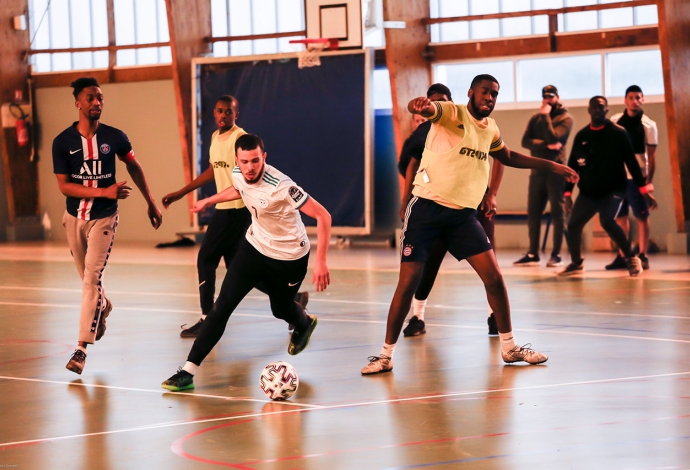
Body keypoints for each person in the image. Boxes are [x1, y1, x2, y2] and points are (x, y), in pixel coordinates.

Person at [361, 74, 579, 375]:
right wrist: (419, 106)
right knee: (409, 282)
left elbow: (509, 156)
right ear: (471, 93)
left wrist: (554, 166)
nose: (489, 98)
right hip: (426, 211)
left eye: (495, 94)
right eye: (485, 92)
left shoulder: (490, 128)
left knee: (495, 278)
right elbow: (428, 109)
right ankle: (385, 356)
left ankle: (509, 347)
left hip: (462, 217)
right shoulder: (452, 113)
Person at [162, 134, 332, 391]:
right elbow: (238, 188)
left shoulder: (282, 186)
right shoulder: (238, 173)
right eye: (244, 162)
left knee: (280, 309)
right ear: (237, 160)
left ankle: (304, 323)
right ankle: (187, 371)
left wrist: (321, 262)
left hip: (289, 257)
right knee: (221, 308)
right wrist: (209, 200)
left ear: (264, 157)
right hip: (254, 247)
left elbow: (323, 216)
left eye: (255, 161)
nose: (250, 167)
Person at [161, 96, 308, 337]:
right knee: (237, 268)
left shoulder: (240, 139)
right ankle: (294, 298)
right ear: (214, 113)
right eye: (219, 111)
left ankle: (207, 318)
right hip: (226, 208)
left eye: (228, 112)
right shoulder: (214, 137)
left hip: (236, 209)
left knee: (206, 259)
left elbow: (247, 179)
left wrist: (211, 199)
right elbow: (212, 170)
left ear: (236, 114)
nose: (223, 115)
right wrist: (181, 192)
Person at [53, 77, 162, 375]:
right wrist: (105, 190)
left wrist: (150, 202)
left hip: (104, 218)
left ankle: (80, 350)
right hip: (74, 218)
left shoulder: (114, 137)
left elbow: (134, 166)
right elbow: (64, 186)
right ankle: (103, 306)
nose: (97, 102)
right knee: (88, 282)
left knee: (91, 280)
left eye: (100, 97)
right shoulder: (62, 142)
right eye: (90, 97)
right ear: (78, 103)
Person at [398, 83, 505, 338]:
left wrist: (492, 194)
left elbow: (502, 156)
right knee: (430, 261)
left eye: (443, 99)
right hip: (440, 206)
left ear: (452, 101)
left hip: (474, 205)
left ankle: (495, 316)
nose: (438, 104)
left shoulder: (470, 122)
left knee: (490, 264)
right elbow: (412, 163)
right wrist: (405, 201)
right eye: (433, 100)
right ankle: (417, 316)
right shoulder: (425, 130)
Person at [558, 96, 657, 277]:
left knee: (607, 221)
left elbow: (632, 164)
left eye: (601, 107)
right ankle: (576, 263)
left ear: (607, 110)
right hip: (588, 192)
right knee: (573, 225)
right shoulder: (582, 136)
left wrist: (644, 191)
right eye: (594, 107)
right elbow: (572, 167)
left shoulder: (618, 133)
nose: (598, 110)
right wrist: (567, 194)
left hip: (613, 190)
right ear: (589, 110)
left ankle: (631, 258)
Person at [514, 85, 574, 268]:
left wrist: (546, 116)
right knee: (533, 212)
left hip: (555, 173)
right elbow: (525, 141)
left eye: (551, 96)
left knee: (557, 213)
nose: (548, 100)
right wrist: (545, 145)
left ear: (557, 97)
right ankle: (533, 253)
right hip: (536, 171)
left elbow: (555, 138)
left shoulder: (566, 118)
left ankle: (556, 254)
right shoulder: (535, 118)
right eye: (545, 96)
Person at [606, 85, 658, 271]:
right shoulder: (615, 121)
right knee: (620, 217)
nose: (634, 101)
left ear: (642, 100)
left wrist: (648, 181)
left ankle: (643, 255)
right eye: (631, 97)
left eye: (638, 97)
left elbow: (652, 155)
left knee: (642, 216)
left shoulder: (648, 125)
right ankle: (624, 255)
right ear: (625, 100)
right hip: (618, 177)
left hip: (637, 178)